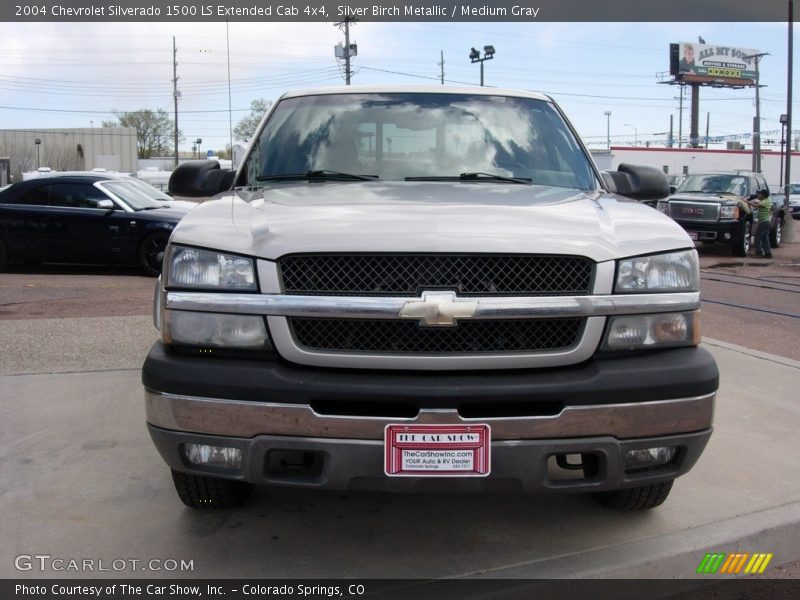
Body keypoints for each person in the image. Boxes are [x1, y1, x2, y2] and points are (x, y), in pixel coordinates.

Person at [750, 189, 773, 258]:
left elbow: (757, 205)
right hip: (766, 222)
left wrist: (747, 202)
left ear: (763, 195)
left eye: (759, 194)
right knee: (765, 238)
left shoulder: (764, 202)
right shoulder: (767, 200)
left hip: (763, 222)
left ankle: (759, 252)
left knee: (758, 237)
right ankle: (767, 252)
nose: (758, 195)